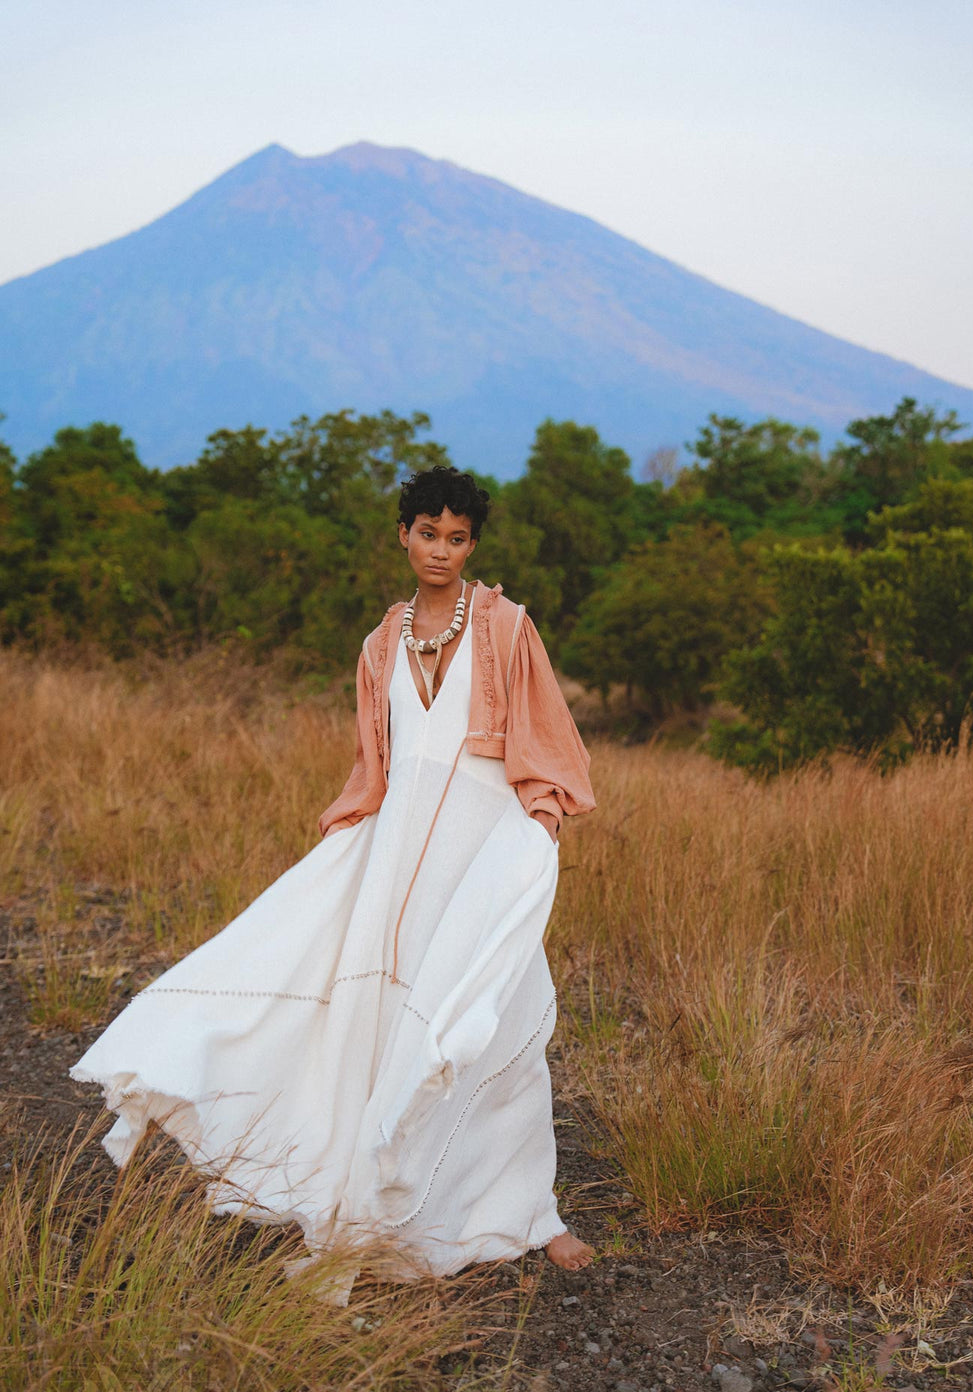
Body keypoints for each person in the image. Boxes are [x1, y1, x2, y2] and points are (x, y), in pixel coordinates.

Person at [70, 464, 597, 1294]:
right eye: (428, 533)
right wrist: (346, 835)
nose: (441, 551)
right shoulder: (379, 644)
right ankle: (382, 1198)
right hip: (397, 858)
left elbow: (542, 734)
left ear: (474, 545)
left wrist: (537, 826)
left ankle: (534, 1212)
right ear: (403, 534)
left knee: (496, 1019)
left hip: (480, 852)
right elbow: (373, 763)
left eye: (458, 538)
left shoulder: (506, 627)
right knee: (379, 1018)